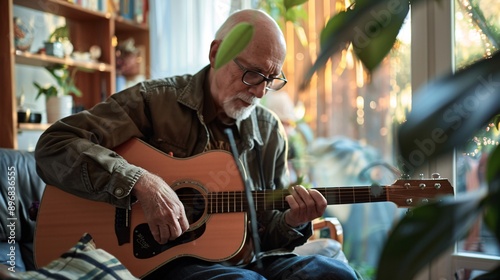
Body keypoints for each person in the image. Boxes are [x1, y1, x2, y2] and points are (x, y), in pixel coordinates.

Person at [35, 9, 358, 280]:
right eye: (252, 75)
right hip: (165, 260)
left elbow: (265, 230)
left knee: (335, 274)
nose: (260, 93)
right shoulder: (154, 101)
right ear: (216, 53)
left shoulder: (269, 130)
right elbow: (55, 144)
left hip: (244, 260)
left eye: (271, 79)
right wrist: (141, 183)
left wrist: (291, 222)